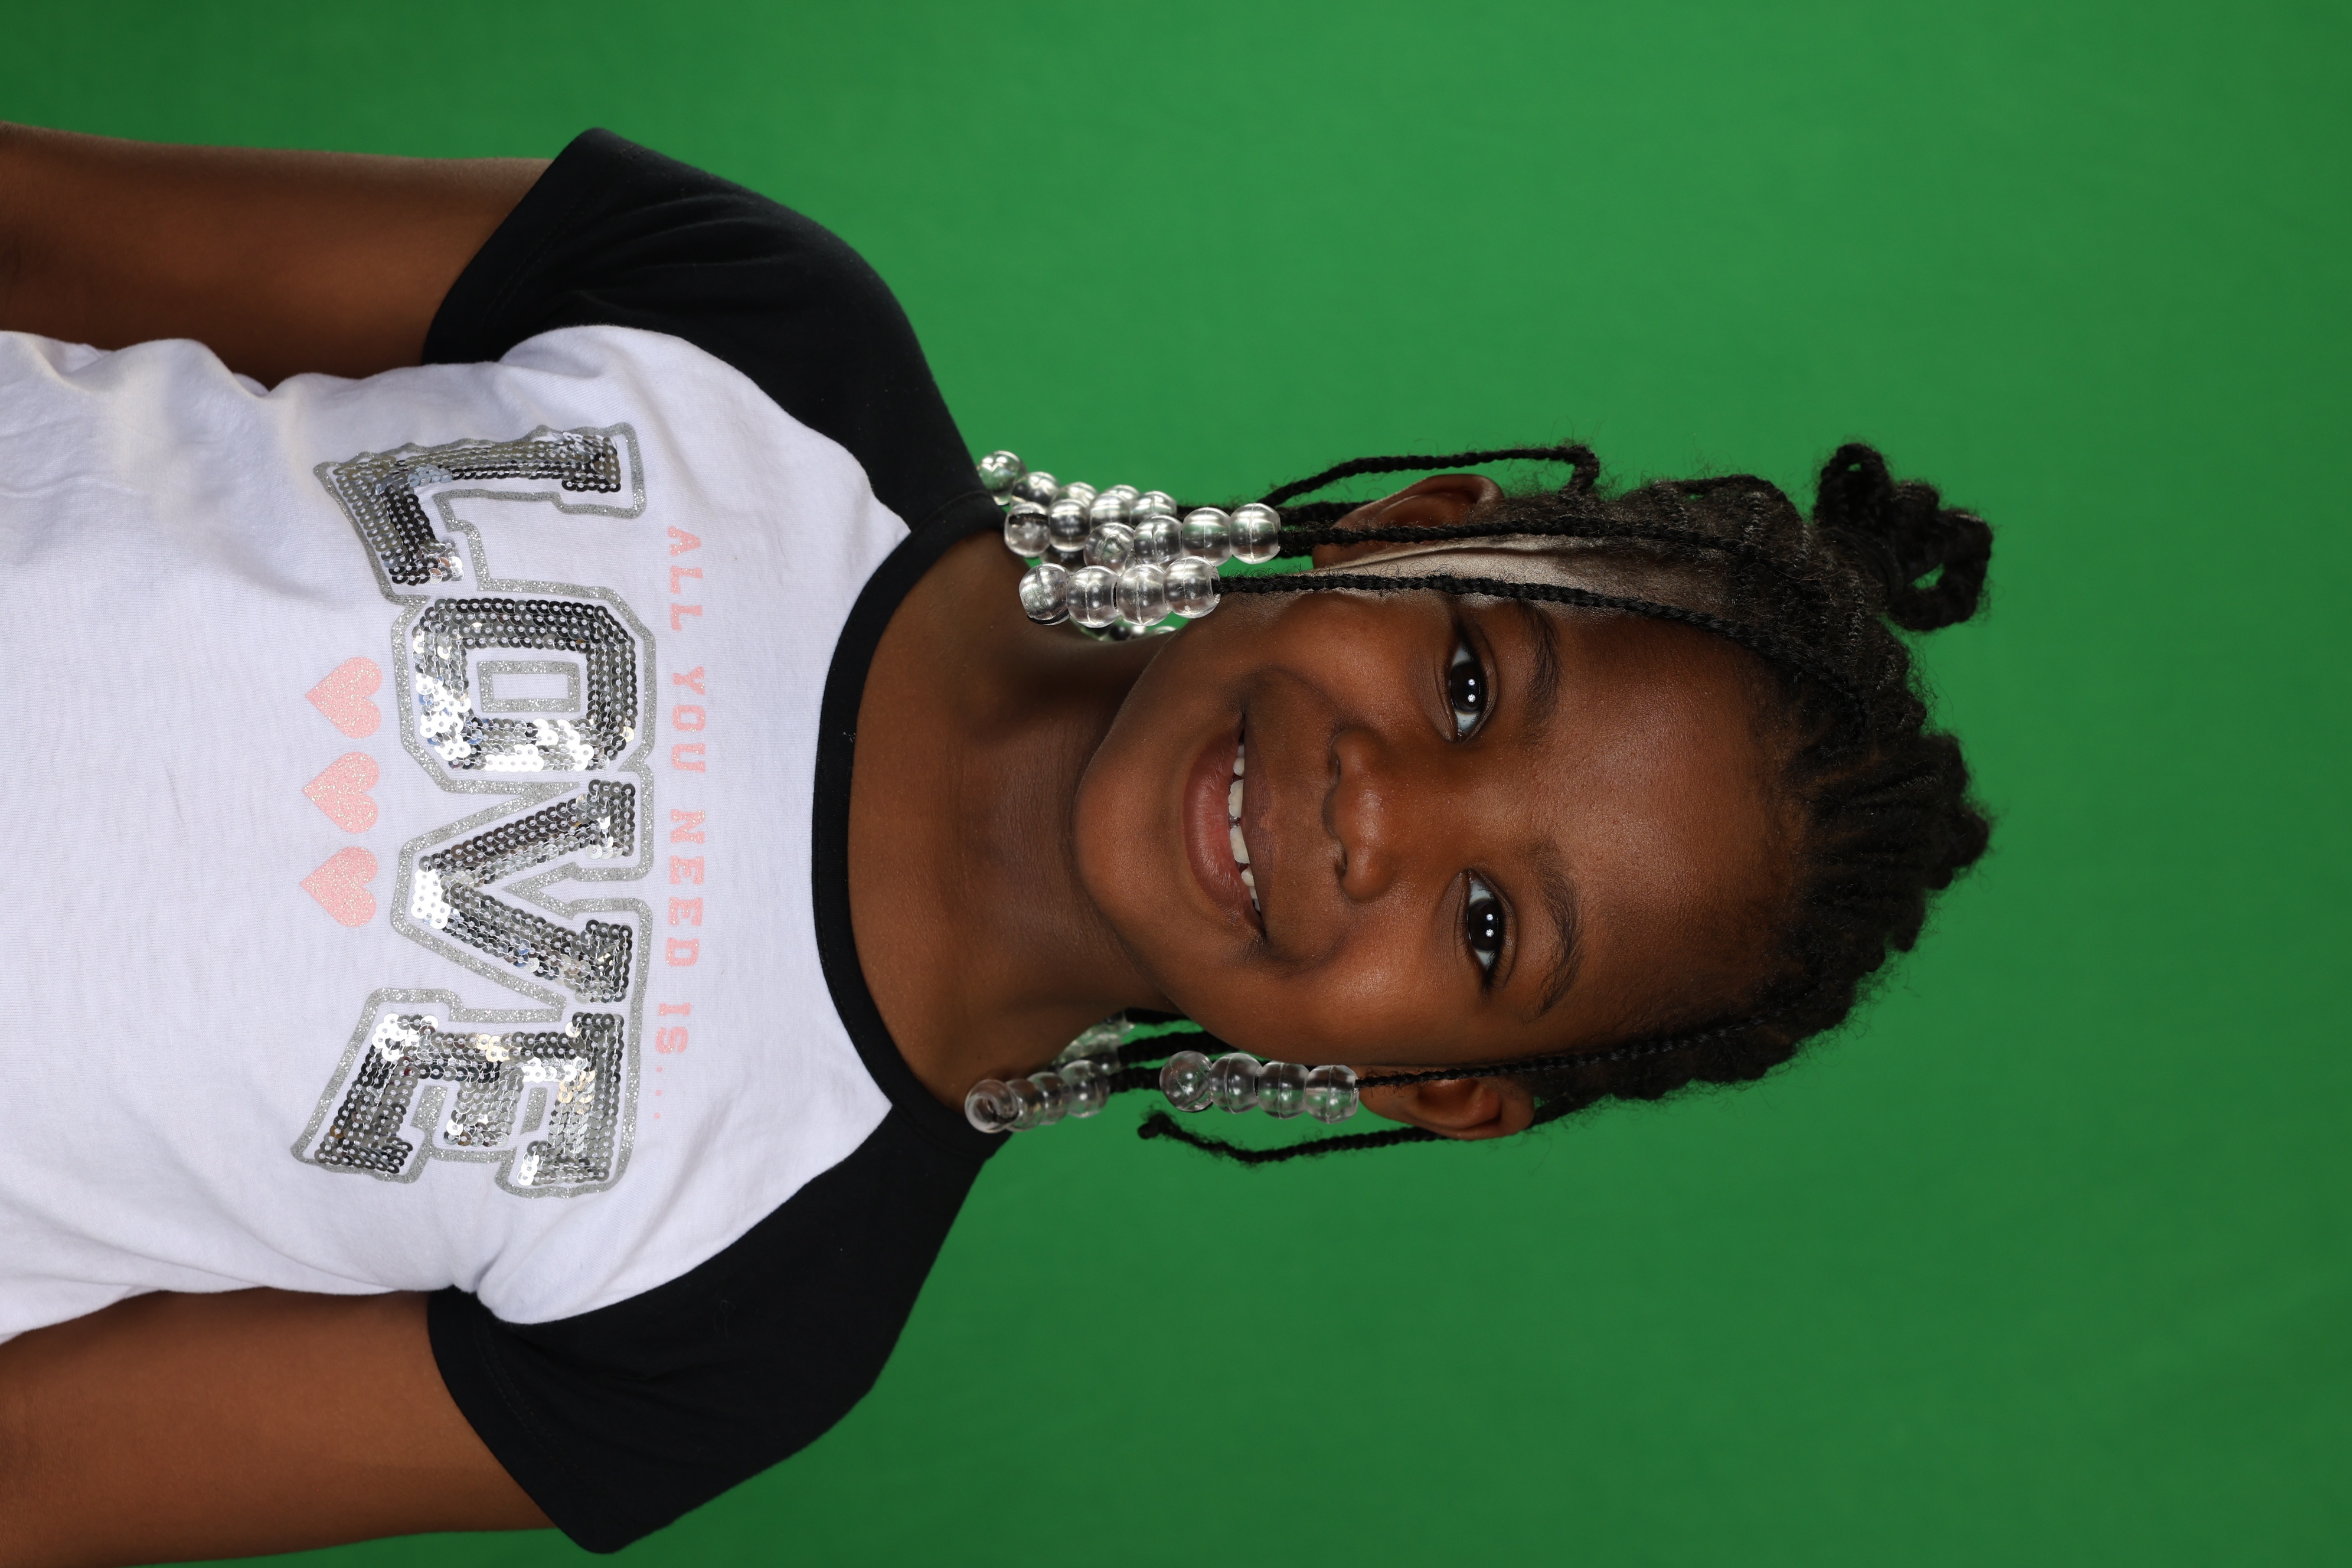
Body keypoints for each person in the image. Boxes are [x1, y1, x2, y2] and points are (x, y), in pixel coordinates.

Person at [0, 123, 1990, 1564]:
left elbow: (36, 1476)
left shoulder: (740, 1321)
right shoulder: (762, 345)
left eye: (1487, 929)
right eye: (1469, 682)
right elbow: (37, 226)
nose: (1377, 814)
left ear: (1438, 1087)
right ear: (1412, 533)